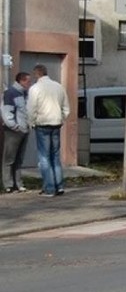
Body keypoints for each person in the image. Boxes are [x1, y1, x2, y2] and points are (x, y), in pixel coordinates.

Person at [26, 64, 71, 197]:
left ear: (36, 74)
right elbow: (66, 107)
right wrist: (61, 118)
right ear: (46, 73)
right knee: (55, 156)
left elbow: (31, 108)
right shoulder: (58, 86)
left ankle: (49, 188)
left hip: (42, 124)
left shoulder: (35, 88)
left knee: (44, 157)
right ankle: (59, 186)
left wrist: (31, 122)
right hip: (56, 124)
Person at [2, 72, 32, 193]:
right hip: (13, 131)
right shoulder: (11, 93)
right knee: (9, 158)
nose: (30, 84)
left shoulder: (25, 93)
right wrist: (14, 126)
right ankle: (8, 184)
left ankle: (18, 183)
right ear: (21, 81)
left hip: (24, 130)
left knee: (19, 158)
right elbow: (6, 112)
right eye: (28, 81)